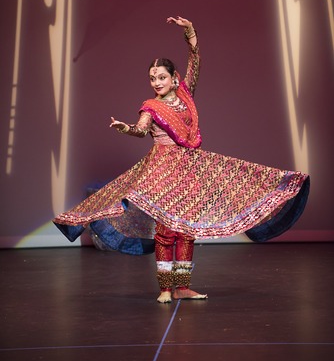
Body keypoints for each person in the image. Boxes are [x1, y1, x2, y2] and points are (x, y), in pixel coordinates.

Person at [54, 16, 310, 303]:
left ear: (174, 78)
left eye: (161, 77)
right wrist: (126, 128)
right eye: (152, 78)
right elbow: (140, 131)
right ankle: (166, 289)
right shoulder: (150, 107)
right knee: (166, 230)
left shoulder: (186, 96)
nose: (156, 82)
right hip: (163, 171)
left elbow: (195, 61)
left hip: (189, 169)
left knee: (186, 229)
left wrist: (189, 33)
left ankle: (183, 286)